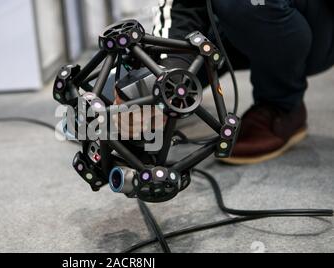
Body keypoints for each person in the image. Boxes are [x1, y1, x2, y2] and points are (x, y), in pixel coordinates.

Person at [117, 0, 334, 165]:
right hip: (235, 23)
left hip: (316, 27)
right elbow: (180, 6)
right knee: (127, 93)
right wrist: (167, 74)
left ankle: (282, 105)